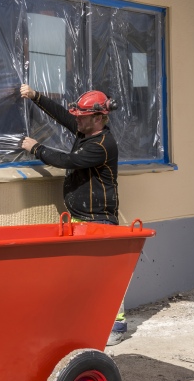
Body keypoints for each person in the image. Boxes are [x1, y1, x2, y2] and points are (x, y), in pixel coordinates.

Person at [19, 84, 127, 345]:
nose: (76, 119)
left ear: (99, 117)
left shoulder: (101, 145)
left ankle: (117, 326)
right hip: (81, 216)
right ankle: (89, 323)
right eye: (77, 116)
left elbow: (67, 161)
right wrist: (36, 97)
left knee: (104, 275)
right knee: (83, 275)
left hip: (98, 219)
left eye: (83, 116)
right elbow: (63, 116)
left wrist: (36, 148)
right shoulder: (86, 131)